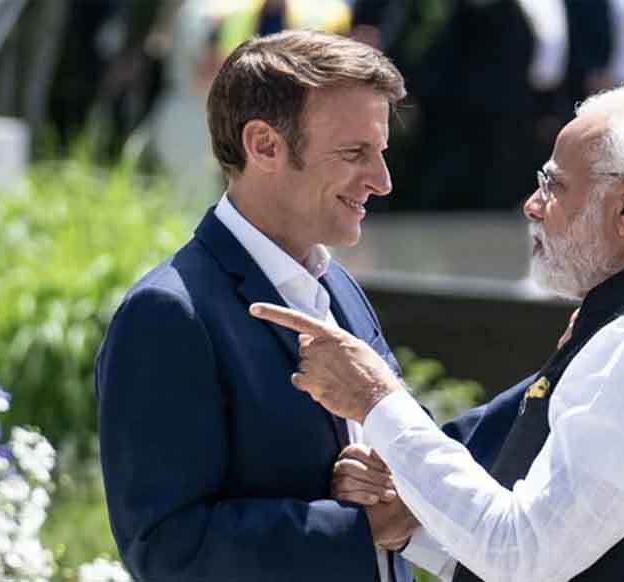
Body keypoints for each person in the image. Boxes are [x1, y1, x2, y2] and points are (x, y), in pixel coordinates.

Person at [252, 85, 624, 582]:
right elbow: (565, 549)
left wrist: (375, 399)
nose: (532, 205)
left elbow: (521, 555)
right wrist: (411, 523)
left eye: (553, 185)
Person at [95, 31, 416, 581]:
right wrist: (359, 528)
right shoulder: (169, 314)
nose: (382, 181)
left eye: (380, 152)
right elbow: (168, 549)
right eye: (354, 153)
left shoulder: (338, 287)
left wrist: (399, 478)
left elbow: (402, 439)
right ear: (264, 145)